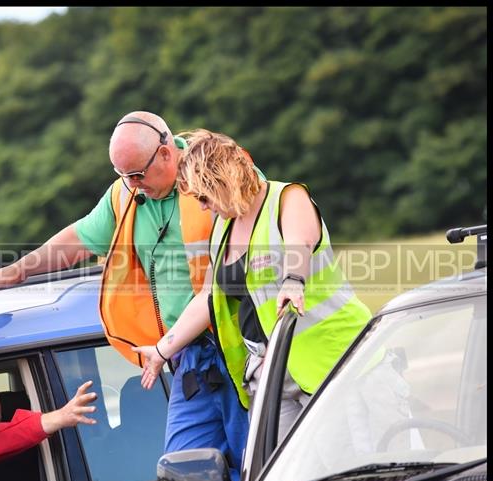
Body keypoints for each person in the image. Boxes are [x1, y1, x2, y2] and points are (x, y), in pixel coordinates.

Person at [0, 112, 247, 481]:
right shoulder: (124, 193)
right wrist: (20, 269)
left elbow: (259, 238)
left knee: (261, 465)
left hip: (236, 346)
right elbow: (79, 239)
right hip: (186, 357)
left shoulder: (214, 172)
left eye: (137, 174)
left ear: (165, 152)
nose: (131, 184)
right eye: (123, 176)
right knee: (184, 478)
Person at [133, 128, 372, 446]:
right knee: (279, 480)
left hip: (332, 364)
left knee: (347, 472)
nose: (203, 207)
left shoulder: (287, 198)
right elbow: (208, 297)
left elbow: (299, 243)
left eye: (204, 197)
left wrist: (293, 281)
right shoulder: (223, 227)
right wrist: (162, 350)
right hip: (272, 376)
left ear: (221, 181)